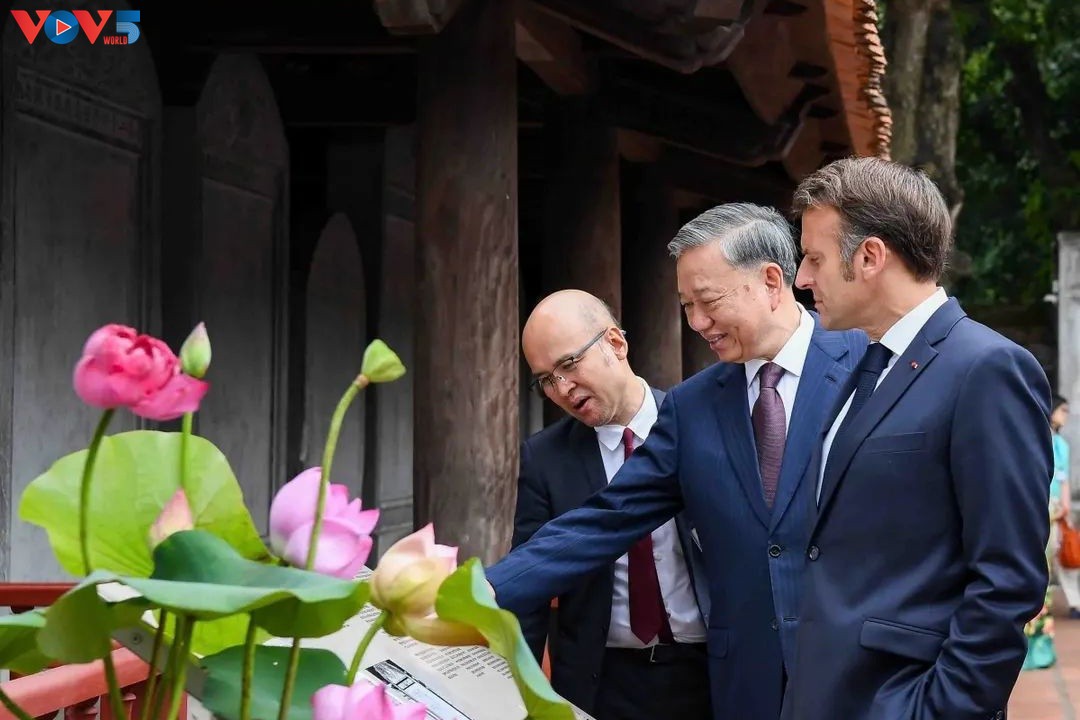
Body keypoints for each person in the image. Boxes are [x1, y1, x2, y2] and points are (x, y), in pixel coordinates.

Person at [487, 203, 867, 719]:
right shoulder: (693, 407)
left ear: (770, 282)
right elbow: (605, 520)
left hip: (858, 675)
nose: (697, 322)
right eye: (686, 305)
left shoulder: (868, 364)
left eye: (707, 301)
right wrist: (475, 592)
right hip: (743, 689)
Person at [783, 156, 1052, 720]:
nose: (802, 279)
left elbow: (1007, 579)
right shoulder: (865, 365)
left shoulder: (987, 368)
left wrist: (939, 709)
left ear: (870, 256)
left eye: (814, 258)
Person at [511, 289, 710, 720]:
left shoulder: (700, 426)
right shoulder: (545, 458)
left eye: (568, 364)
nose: (562, 389)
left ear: (616, 344)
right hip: (600, 683)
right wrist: (519, 701)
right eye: (546, 380)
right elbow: (530, 587)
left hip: (709, 672)